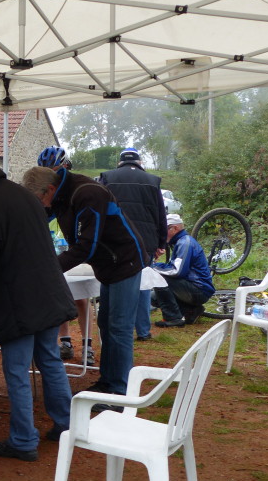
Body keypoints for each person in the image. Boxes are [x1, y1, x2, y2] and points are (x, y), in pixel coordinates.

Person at [0, 146, 76, 461]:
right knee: (50, 360)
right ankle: (67, 425)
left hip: (18, 300)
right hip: (47, 293)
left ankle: (23, 441)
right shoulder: (23, 194)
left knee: (18, 370)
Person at [23, 165, 146, 412]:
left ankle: (119, 393)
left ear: (50, 189)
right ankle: (107, 382)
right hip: (108, 264)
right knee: (106, 325)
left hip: (125, 261)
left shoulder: (88, 194)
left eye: (40, 199)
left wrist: (49, 269)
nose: (43, 205)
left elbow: (86, 246)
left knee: (119, 328)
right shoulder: (60, 195)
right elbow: (39, 219)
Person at [99, 147, 167, 341]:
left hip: (113, 242)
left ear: (120, 162)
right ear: (139, 162)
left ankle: (111, 324)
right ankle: (143, 331)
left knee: (110, 280)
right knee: (143, 284)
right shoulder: (152, 181)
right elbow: (161, 214)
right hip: (145, 242)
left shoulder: (107, 177)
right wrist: (161, 242)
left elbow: (98, 209)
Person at [37, 147, 94, 364]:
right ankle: (66, 342)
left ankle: (87, 345)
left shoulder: (78, 189)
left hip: (82, 250)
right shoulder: (49, 193)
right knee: (59, 295)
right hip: (62, 249)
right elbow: (42, 216)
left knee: (81, 298)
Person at [152, 213, 215, 327]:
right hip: (193, 287)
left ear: (175, 228)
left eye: (164, 230)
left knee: (159, 277)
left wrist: (153, 268)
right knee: (153, 298)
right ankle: (191, 311)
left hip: (199, 290)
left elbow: (177, 271)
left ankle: (173, 318)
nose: (162, 234)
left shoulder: (185, 243)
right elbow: (173, 267)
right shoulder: (179, 241)